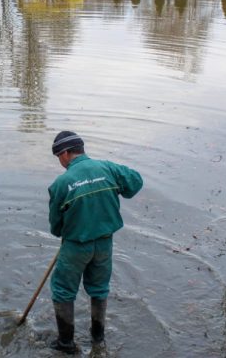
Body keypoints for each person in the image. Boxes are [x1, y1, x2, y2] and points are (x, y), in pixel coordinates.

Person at [47, 131, 143, 354]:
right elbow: (135, 181)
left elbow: (55, 226)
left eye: (58, 157)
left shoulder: (61, 183)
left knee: (62, 290)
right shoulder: (108, 168)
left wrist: (67, 230)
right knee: (99, 288)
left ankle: (66, 343)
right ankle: (98, 337)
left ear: (65, 153)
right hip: (104, 245)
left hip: (75, 246)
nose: (60, 162)